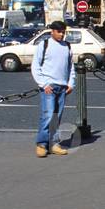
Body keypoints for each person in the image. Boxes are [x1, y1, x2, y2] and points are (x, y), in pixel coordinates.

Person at [31, 21, 75, 158]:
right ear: (52, 32)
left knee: (57, 116)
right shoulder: (44, 45)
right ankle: (42, 144)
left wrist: (70, 83)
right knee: (48, 115)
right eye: (59, 32)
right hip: (49, 85)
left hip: (62, 86)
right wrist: (43, 84)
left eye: (63, 32)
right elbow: (35, 66)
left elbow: (70, 67)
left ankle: (54, 143)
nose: (62, 34)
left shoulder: (67, 46)